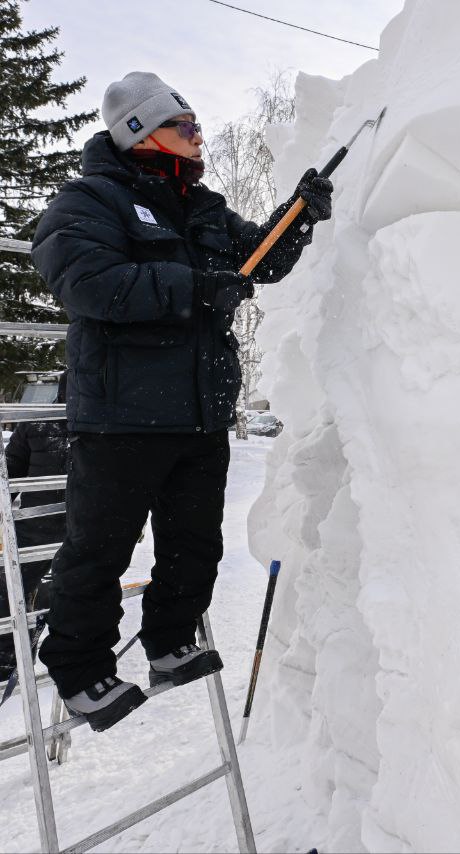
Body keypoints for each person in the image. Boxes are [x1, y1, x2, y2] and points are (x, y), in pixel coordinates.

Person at [29, 72, 332, 732]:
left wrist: (298, 216)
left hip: (197, 416)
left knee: (194, 547)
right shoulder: (90, 200)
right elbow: (87, 283)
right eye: (185, 127)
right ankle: (78, 668)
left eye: (198, 126)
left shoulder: (204, 208)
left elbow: (259, 258)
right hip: (121, 417)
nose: (199, 138)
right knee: (100, 549)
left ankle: (169, 645)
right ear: (141, 131)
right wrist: (193, 288)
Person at [0, 374, 69, 686]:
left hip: (79, 531)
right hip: (37, 527)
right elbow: (11, 471)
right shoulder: (37, 423)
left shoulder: (105, 428)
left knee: (65, 595)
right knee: (8, 589)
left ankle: (68, 657)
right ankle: (7, 655)